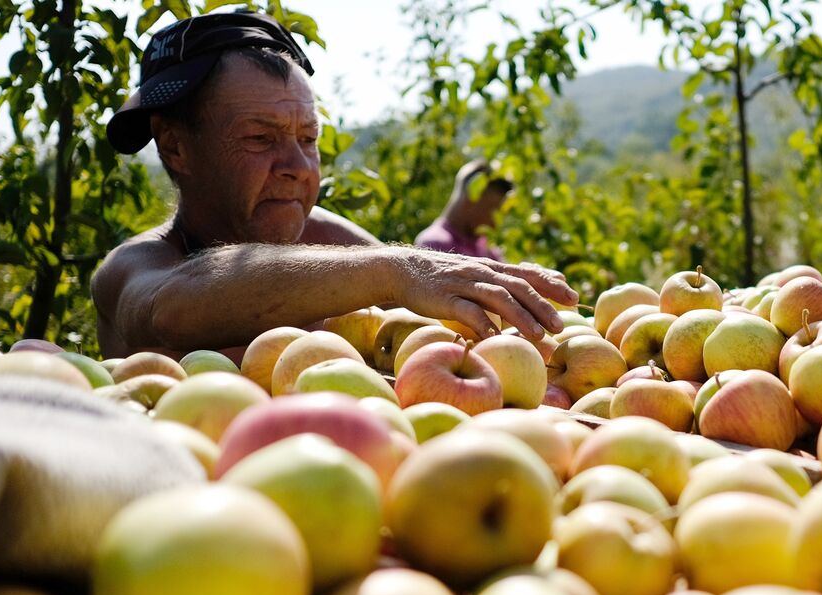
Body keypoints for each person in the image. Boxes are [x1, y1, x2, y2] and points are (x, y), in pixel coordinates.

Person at [92, 11, 573, 360]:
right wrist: (392, 270)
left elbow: (440, 322)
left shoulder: (326, 239)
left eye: (309, 138)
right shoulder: (134, 267)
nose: (298, 166)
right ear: (175, 148)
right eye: (261, 138)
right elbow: (173, 307)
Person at [415, 160, 511, 261]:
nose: (494, 224)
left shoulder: (488, 250)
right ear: (470, 198)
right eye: (492, 209)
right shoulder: (434, 245)